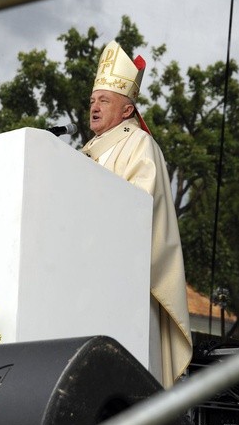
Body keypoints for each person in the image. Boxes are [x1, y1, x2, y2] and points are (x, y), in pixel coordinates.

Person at [82, 40, 192, 388]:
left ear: (127, 111)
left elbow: (139, 207)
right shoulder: (84, 155)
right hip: (87, 284)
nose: (94, 107)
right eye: (92, 101)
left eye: (104, 100)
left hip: (128, 286)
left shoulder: (139, 145)